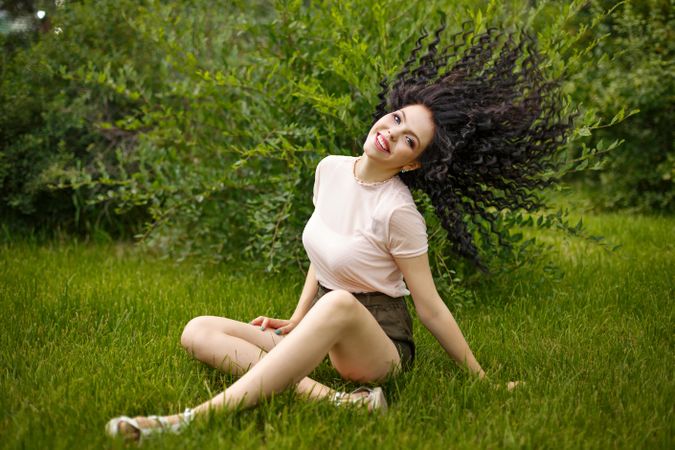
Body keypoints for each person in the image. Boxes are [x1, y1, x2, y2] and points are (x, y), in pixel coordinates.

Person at [106, 23, 574, 441]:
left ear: (412, 163)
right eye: (397, 119)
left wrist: (482, 379)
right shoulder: (329, 169)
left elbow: (429, 308)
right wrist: (295, 318)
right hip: (322, 327)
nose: (393, 133)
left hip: (378, 346)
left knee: (340, 301)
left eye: (409, 140)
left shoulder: (398, 212)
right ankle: (342, 403)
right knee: (199, 330)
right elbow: (323, 250)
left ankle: (188, 421)